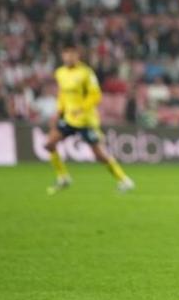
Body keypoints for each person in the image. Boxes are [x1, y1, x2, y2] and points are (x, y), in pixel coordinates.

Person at [44, 44, 134, 194]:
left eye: (72, 54)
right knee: (49, 144)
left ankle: (124, 180)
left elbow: (96, 95)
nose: (68, 57)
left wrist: (82, 108)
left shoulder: (86, 73)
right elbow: (62, 94)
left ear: (77, 56)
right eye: (66, 54)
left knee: (99, 155)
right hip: (68, 118)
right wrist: (59, 112)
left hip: (85, 120)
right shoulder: (60, 73)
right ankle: (63, 177)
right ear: (62, 56)